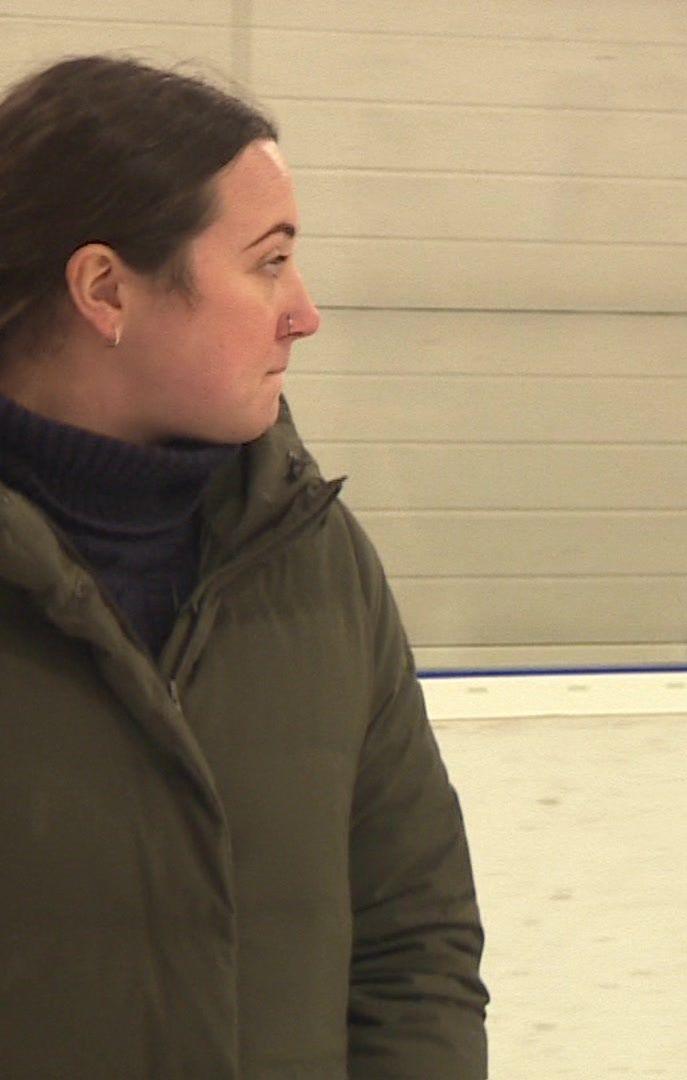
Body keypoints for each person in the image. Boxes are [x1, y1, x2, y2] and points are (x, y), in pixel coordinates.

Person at [0, 56, 486, 1076]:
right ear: (104, 289)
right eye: (268, 262)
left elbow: (413, 945)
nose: (302, 312)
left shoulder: (315, 560)